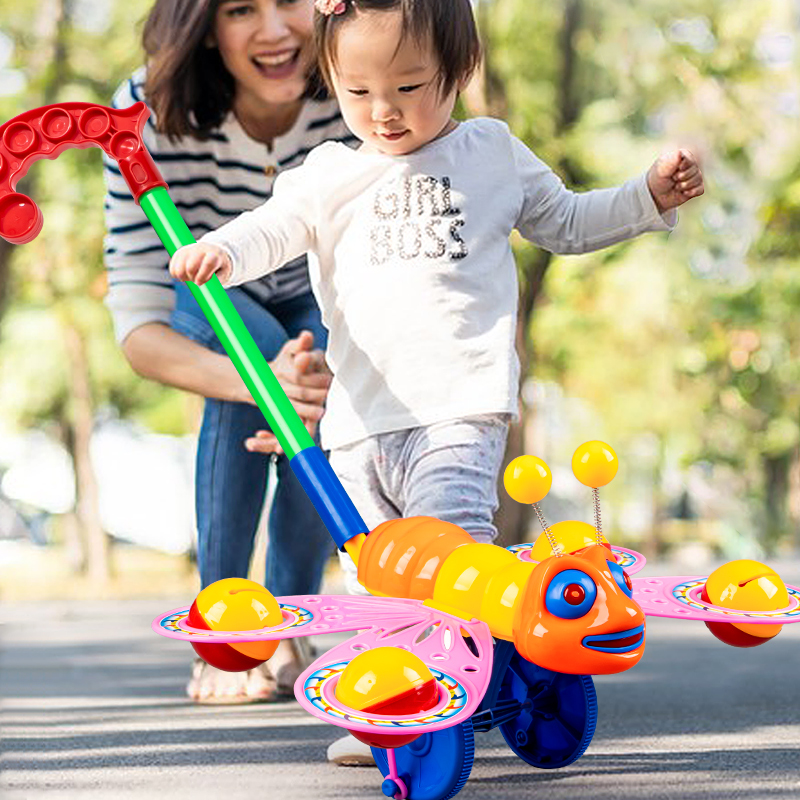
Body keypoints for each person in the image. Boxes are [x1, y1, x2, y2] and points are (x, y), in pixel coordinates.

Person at [169, 0, 704, 761]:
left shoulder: (491, 151)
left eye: (410, 87)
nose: (383, 113)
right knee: (377, 576)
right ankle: (394, 698)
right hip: (357, 424)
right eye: (357, 93)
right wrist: (221, 249)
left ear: (458, 73)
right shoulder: (328, 173)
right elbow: (271, 229)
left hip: (458, 407)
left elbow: (570, 221)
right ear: (333, 80)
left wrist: (648, 194)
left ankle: (436, 704)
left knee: (450, 561)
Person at [102, 0, 358, 705]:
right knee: (267, 356)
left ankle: (289, 619)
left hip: (324, 285)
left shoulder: (364, 81)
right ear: (204, 27)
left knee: (315, 381)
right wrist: (258, 383)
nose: (275, 30)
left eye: (290, 1)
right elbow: (139, 326)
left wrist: (316, 378)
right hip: (204, 286)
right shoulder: (143, 114)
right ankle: (226, 631)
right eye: (242, 8)